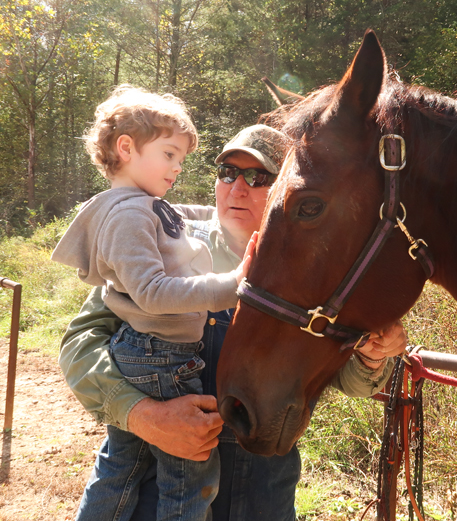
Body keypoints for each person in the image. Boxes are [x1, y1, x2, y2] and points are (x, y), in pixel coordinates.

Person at [60, 122, 407, 521]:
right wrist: (143, 416)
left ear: (286, 189)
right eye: (227, 173)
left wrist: (373, 356)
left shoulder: (319, 273)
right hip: (157, 491)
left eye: (258, 177)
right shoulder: (163, 241)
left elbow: (347, 378)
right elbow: (80, 344)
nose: (237, 188)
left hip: (261, 494)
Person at [53, 85, 257, 521]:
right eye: (169, 154)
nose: (177, 168)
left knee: (119, 468)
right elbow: (150, 292)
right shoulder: (129, 215)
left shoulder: (146, 206)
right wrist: (234, 283)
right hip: (161, 358)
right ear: (126, 148)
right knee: (188, 472)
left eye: (258, 180)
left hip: (151, 353)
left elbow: (195, 214)